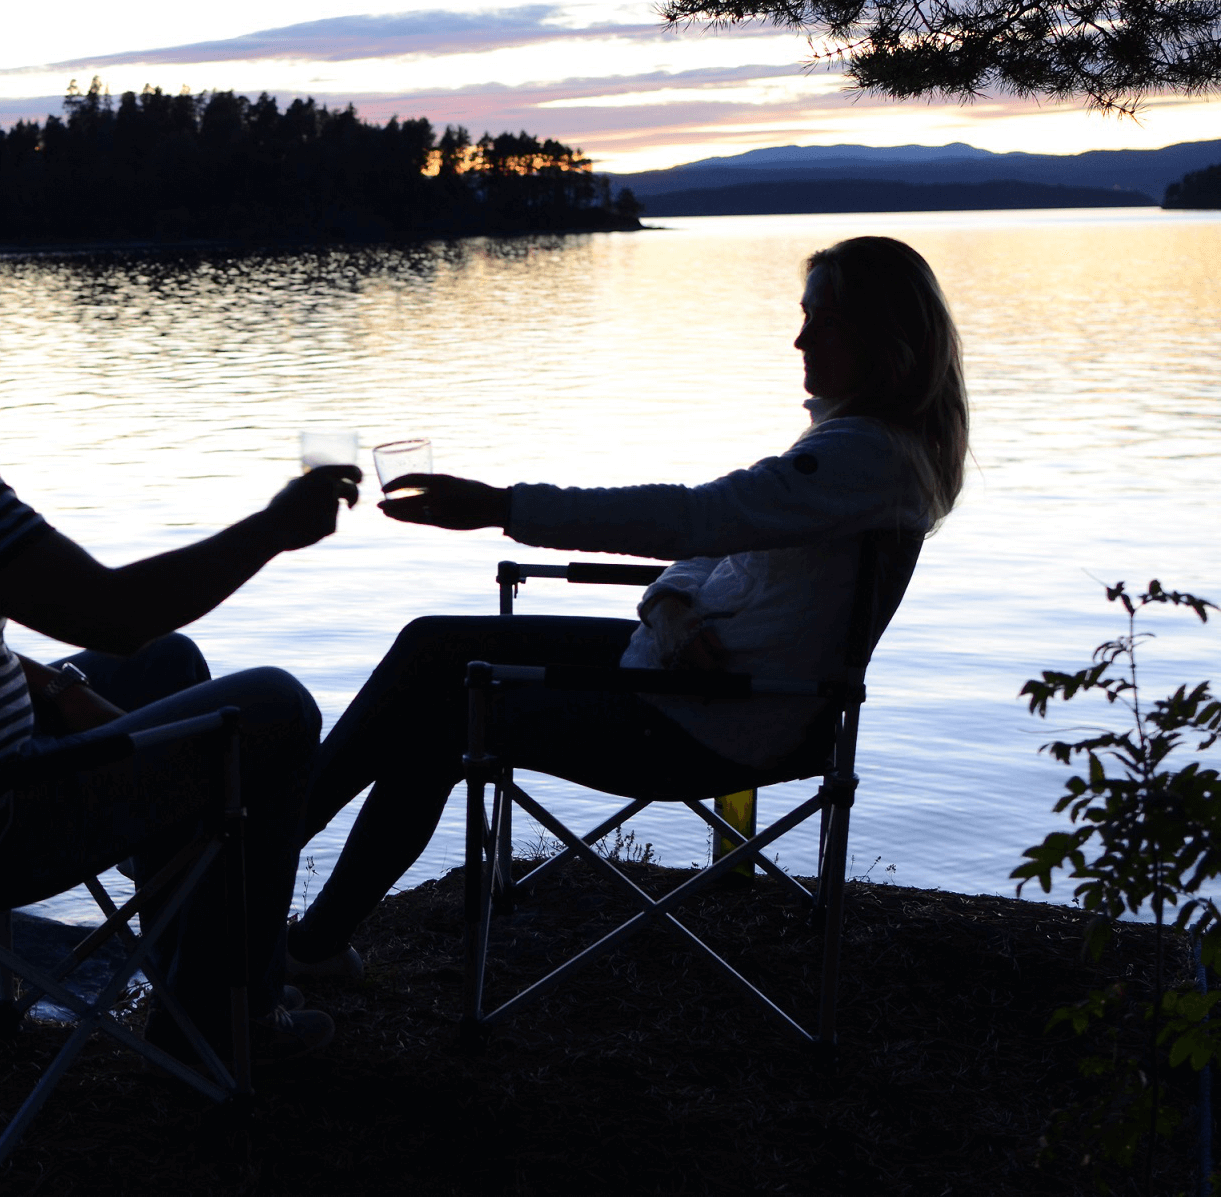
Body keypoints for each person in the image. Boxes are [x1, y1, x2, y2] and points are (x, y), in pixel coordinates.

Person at [0, 195, 361, 1055]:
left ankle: (203, 986)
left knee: (167, 665)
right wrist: (273, 528)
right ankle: (224, 1028)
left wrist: (56, 687)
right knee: (276, 707)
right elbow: (114, 614)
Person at [285, 235, 968, 974]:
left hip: (711, 722)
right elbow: (721, 539)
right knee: (433, 644)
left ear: (882, 336)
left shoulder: (865, 458)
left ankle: (273, 884)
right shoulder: (848, 445)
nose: (799, 338)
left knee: (440, 725)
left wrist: (502, 505)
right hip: (682, 677)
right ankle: (278, 867)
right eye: (803, 317)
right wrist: (673, 603)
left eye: (823, 322)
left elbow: (693, 518)